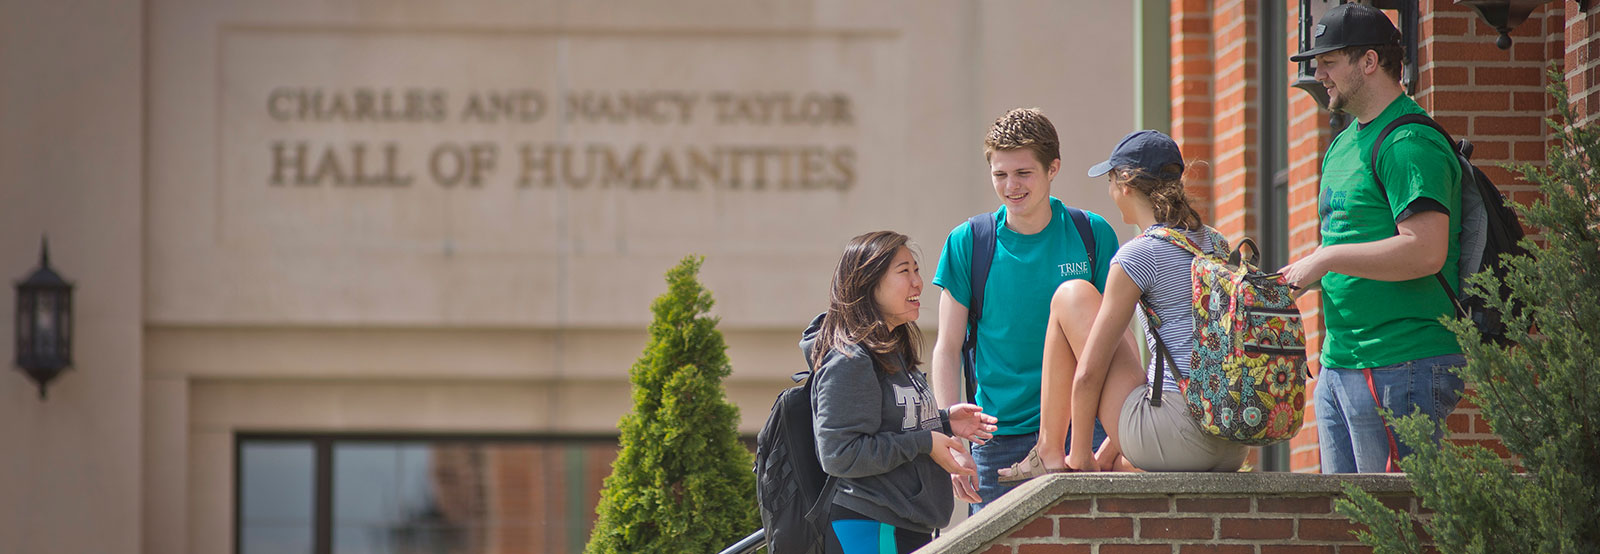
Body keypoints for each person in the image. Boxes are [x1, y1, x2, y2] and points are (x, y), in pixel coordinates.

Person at [997, 129, 1249, 480]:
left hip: (1179, 432)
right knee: (1121, 449)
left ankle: (1050, 452)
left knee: (1073, 296)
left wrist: (1082, 454)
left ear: (1125, 185)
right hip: (1231, 438)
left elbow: (1089, 374)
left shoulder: (1139, 254)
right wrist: (1108, 450)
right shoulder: (1216, 244)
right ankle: (1099, 455)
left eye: (1111, 180)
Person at [1281, 2, 1465, 474]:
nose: (1318, 72)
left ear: (1369, 62)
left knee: (1396, 532)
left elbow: (1425, 250)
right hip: (1339, 365)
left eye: (1329, 60)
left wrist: (1326, 259)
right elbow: (1352, 244)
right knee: (1347, 533)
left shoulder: (1408, 143)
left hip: (1399, 365)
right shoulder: (1343, 144)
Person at [931, 108, 1119, 510]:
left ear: (1053, 169)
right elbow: (947, 348)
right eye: (1000, 175)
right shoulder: (969, 242)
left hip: (1084, 432)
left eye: (1023, 173)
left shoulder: (1091, 233)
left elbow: (1117, 337)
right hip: (997, 441)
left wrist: (1119, 437)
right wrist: (952, 442)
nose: (1011, 186)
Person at [805, 230, 998, 554]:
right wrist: (926, 442)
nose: (917, 283)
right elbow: (840, 454)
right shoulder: (851, 359)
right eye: (903, 272)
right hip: (871, 524)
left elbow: (890, 425)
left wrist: (943, 422)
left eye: (916, 270)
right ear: (869, 282)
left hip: (899, 524)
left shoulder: (890, 350)